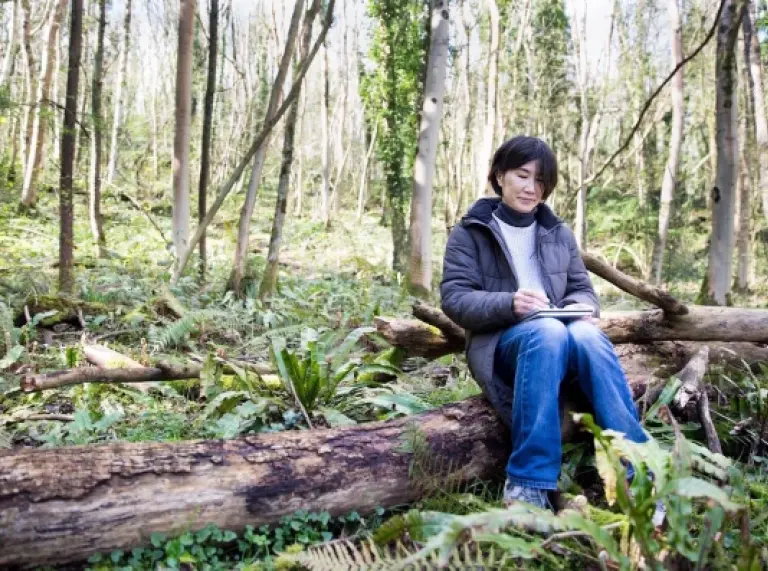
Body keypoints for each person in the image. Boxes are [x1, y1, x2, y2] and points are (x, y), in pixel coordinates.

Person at [440, 135, 651, 511]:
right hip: (504, 343)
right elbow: (455, 299)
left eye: (540, 181)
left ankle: (639, 471)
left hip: (560, 332)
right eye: (522, 175)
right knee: (546, 331)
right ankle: (529, 484)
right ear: (500, 175)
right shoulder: (470, 231)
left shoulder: (558, 232)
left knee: (588, 335)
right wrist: (510, 303)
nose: (530, 188)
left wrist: (579, 308)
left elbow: (583, 291)